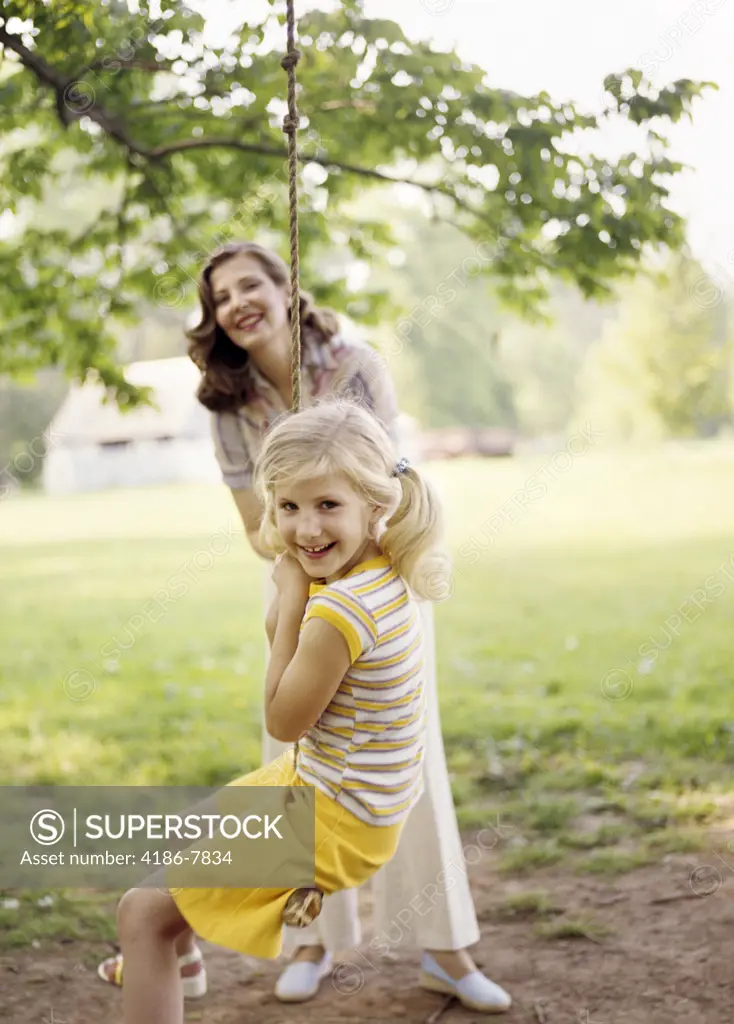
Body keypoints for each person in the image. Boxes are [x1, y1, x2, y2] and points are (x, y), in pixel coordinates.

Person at [98, 241, 511, 1014]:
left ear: (288, 286)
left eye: (251, 283)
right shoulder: (226, 400)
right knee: (300, 762)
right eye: (220, 296)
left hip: (372, 571)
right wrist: (297, 549)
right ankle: (301, 942)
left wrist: (308, 570)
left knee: (394, 763)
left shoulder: (355, 364)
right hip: (319, 575)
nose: (237, 303)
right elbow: (259, 524)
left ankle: (445, 950)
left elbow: (379, 480)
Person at [115, 399, 445, 1024]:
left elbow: (282, 721)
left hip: (334, 818)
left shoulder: (335, 611)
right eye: (289, 506)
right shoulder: (388, 566)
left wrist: (287, 605)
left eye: (327, 505)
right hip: (344, 795)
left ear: (376, 504)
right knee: (184, 839)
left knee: (140, 911)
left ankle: (161, 944)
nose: (306, 530)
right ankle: (178, 955)